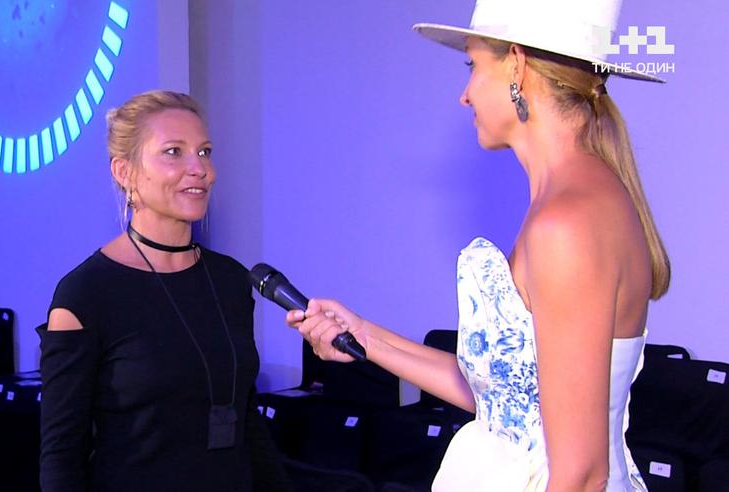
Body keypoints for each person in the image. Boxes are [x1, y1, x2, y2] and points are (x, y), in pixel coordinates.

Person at [286, 1, 669, 490]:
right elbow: (508, 399)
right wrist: (364, 335)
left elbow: (583, 474)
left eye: (472, 65)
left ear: (517, 65)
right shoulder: (575, 201)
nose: (464, 95)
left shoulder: (567, 223)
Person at [38, 90, 291, 492]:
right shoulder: (86, 293)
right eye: (174, 152)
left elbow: (246, 423)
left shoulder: (229, 279)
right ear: (124, 172)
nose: (199, 169)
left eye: (205, 152)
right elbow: (61, 459)